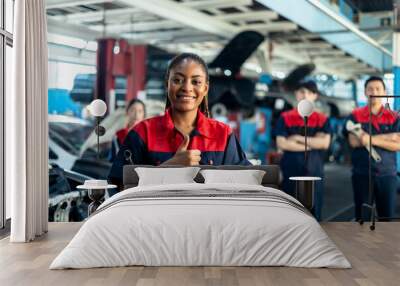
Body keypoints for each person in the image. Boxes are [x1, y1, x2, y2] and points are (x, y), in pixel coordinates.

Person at [108, 53, 250, 189]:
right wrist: (167, 169)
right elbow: (118, 187)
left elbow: (245, 183)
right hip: (155, 214)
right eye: (177, 80)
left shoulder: (223, 135)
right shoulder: (142, 133)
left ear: (205, 89)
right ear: (167, 84)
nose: (187, 88)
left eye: (196, 81)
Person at [344, 76, 400, 221]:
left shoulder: (394, 116)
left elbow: (398, 144)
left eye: (378, 89)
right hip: (362, 174)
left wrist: (368, 139)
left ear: (384, 92)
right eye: (370, 89)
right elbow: (353, 141)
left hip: (387, 175)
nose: (374, 92)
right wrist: (389, 137)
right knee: (362, 219)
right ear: (365, 92)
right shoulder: (355, 115)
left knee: (387, 219)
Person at [275, 81, 331, 220]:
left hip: (314, 171)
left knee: (314, 212)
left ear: (315, 96)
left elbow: (324, 143)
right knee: (289, 211)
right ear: (296, 94)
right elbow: (282, 144)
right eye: (301, 91)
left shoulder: (322, 119)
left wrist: (296, 138)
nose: (305, 95)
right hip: (290, 170)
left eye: (309, 92)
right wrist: (311, 144)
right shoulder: (285, 117)